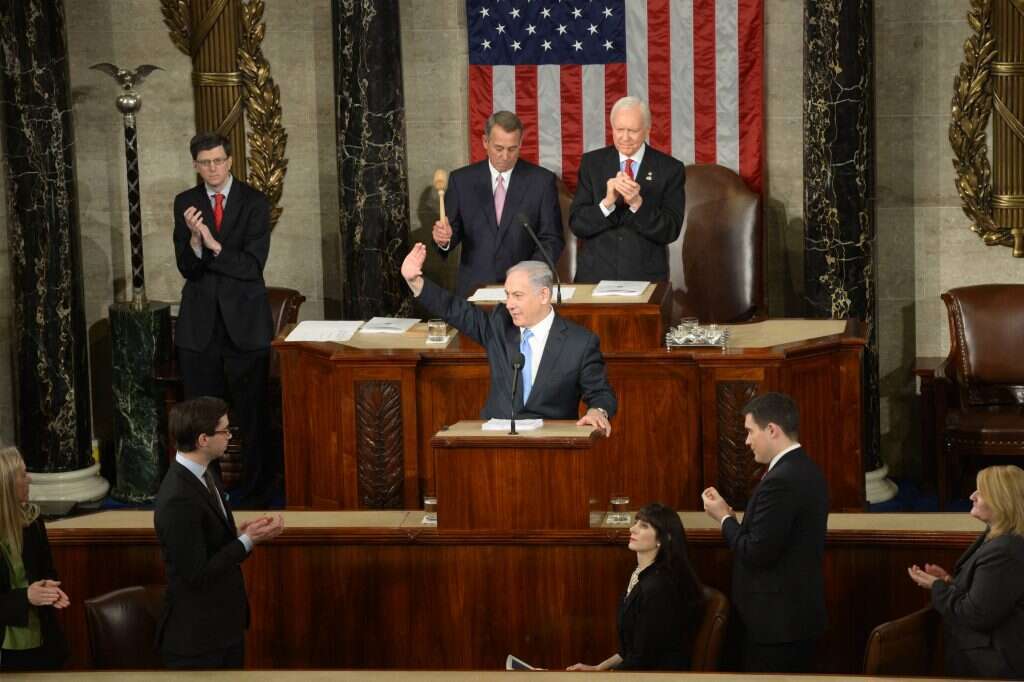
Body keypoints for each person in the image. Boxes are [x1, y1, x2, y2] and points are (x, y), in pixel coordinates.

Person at [401, 243, 615, 435]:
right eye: (507, 294)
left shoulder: (579, 342)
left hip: (552, 448)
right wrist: (415, 281)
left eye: (518, 296)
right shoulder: (499, 326)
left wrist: (598, 411)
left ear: (543, 295)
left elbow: (600, 393)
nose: (509, 304)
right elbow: (454, 309)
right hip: (496, 447)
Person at [173, 132, 274, 508]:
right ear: (196, 166)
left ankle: (256, 492)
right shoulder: (186, 202)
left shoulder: (254, 202)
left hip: (245, 328)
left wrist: (213, 244)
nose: (212, 169)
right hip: (200, 330)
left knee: (252, 417)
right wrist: (196, 243)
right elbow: (187, 268)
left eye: (218, 161)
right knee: (200, 421)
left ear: (230, 162)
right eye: (204, 163)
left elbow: (251, 266)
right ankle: (208, 493)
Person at [701, 392, 828, 673]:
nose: (746, 441)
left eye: (749, 431)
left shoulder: (780, 481)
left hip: (777, 624)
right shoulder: (806, 469)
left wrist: (723, 518)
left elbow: (756, 552)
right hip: (793, 618)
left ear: (772, 430)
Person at [154, 397, 284, 669]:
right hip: (197, 642)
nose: (230, 436)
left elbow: (206, 539)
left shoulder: (205, 472)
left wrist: (241, 532)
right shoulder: (179, 497)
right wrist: (247, 542)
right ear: (203, 439)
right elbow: (196, 573)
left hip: (222, 630)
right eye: (225, 431)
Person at [907, 465, 1024, 679]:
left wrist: (937, 587)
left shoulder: (1005, 550)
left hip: (992, 666)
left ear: (1002, 500)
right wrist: (949, 581)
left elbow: (976, 614)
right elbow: (988, 596)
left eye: (981, 491)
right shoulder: (997, 539)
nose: (972, 496)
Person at [433, 110, 564, 297]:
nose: (505, 156)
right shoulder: (461, 181)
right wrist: (443, 239)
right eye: (499, 148)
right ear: (485, 142)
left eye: (512, 149)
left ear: (520, 144)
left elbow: (552, 238)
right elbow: (450, 234)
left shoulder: (541, 182)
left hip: (525, 291)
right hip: (474, 290)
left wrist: (529, 275)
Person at [567, 503, 703, 671]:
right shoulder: (641, 575)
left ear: (663, 539)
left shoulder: (658, 588)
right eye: (636, 522)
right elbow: (631, 650)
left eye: (644, 526)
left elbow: (643, 660)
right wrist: (597, 668)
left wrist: (605, 677)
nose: (632, 529)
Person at [569, 97, 685, 283]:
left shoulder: (670, 169)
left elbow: (670, 230)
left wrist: (638, 204)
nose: (625, 137)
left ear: (647, 130)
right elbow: (577, 225)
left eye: (632, 131)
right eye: (619, 130)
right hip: (594, 278)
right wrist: (606, 203)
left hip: (645, 279)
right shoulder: (592, 163)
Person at [0, 446, 68, 672]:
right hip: (6, 650)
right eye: (23, 474)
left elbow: (48, 570)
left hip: (43, 640)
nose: (29, 479)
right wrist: (26, 597)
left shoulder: (33, 521)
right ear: (7, 484)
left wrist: (50, 588)